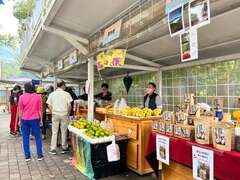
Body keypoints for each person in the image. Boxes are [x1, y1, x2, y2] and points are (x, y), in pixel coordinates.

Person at [18, 82, 43, 161]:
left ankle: (27, 156)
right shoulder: (38, 97)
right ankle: (39, 155)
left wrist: (19, 120)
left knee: (25, 138)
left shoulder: (21, 97)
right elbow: (40, 110)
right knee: (38, 137)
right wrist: (41, 120)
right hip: (35, 119)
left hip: (24, 119)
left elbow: (20, 110)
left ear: (25, 88)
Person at [47, 80, 73, 155]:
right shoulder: (67, 94)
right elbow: (69, 105)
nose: (65, 86)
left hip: (55, 114)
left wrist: (52, 112)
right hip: (64, 114)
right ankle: (64, 147)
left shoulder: (52, 94)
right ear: (62, 85)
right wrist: (67, 113)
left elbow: (49, 105)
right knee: (63, 131)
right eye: (64, 85)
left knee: (54, 132)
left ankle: (53, 149)